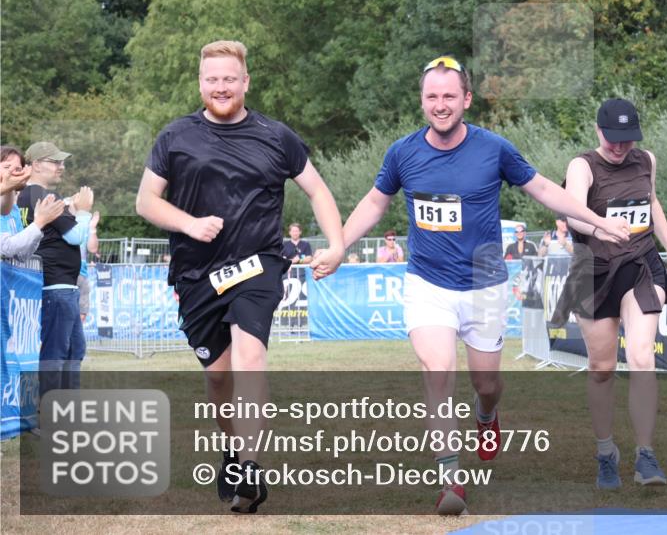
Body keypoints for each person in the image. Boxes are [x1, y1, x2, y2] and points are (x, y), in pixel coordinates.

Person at [342, 55, 630, 516]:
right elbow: (376, 204)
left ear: (467, 99)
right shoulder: (402, 153)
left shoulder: (493, 148)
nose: (441, 105)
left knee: (487, 382)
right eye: (432, 96)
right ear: (422, 101)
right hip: (427, 283)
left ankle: (487, 413)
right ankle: (450, 479)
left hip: (483, 284)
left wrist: (595, 220)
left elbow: (542, 190)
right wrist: (338, 244)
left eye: (449, 96)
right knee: (438, 373)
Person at [136, 40, 345, 514]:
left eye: (230, 78)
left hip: (258, 265)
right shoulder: (175, 137)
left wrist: (337, 244)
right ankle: (232, 449)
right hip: (196, 275)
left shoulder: (276, 136)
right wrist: (189, 224)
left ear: (246, 82)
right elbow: (145, 202)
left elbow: (317, 190)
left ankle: (250, 465)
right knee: (218, 380)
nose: (221, 87)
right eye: (212, 79)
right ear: (200, 83)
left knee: (250, 356)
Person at [554, 98, 667, 489]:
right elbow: (573, 212)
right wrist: (600, 227)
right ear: (599, 132)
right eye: (613, 140)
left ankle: (646, 455)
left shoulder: (647, 160)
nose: (620, 147)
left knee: (642, 356)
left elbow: (653, 203)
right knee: (602, 369)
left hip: (641, 265)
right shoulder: (582, 165)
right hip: (593, 270)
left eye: (627, 140)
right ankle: (606, 452)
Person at [17, 142, 94, 397]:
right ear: (36, 164)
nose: (61, 167)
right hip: (57, 284)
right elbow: (75, 237)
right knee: (58, 351)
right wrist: (83, 212)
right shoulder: (44, 195)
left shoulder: (24, 194)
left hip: (58, 284)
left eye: (62, 162)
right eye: (55, 162)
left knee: (73, 349)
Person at [1, 145, 65, 260]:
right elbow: (6, 248)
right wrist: (39, 222)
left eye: (18, 169)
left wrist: (38, 224)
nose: (13, 172)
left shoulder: (13, 208)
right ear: (36, 165)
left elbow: (22, 256)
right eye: (7, 167)